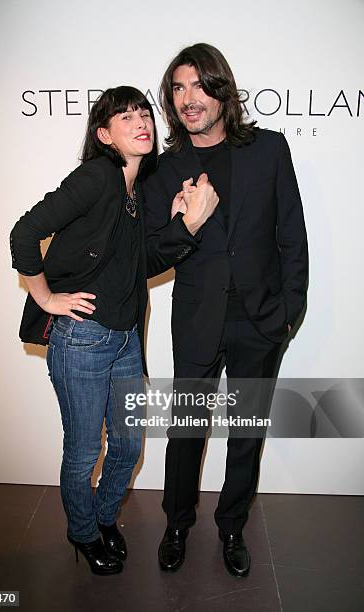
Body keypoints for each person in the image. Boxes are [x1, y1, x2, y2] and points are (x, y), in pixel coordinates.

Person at [10, 86, 218, 576]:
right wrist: (46, 298)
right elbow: (23, 232)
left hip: (125, 341)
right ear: (104, 134)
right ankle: (82, 532)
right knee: (84, 452)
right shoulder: (97, 177)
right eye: (125, 117)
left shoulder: (136, 191)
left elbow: (138, 264)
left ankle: (104, 519)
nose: (140, 121)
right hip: (82, 341)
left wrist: (180, 226)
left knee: (126, 446)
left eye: (143, 112)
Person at [143, 43, 309, 577]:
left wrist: (289, 312)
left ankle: (232, 526)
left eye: (200, 85)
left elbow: (293, 237)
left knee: (246, 433)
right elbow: (148, 256)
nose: (189, 99)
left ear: (223, 90)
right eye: (178, 88)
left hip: (261, 320)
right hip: (197, 320)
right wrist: (180, 227)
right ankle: (176, 523)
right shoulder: (162, 170)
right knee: (185, 431)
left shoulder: (269, 150)